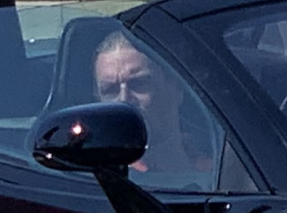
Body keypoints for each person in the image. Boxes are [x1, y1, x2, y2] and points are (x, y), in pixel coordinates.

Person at [91, 29, 222, 189]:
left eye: (139, 83)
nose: (124, 100)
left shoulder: (220, 170)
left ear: (177, 87)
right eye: (110, 90)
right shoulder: (100, 185)